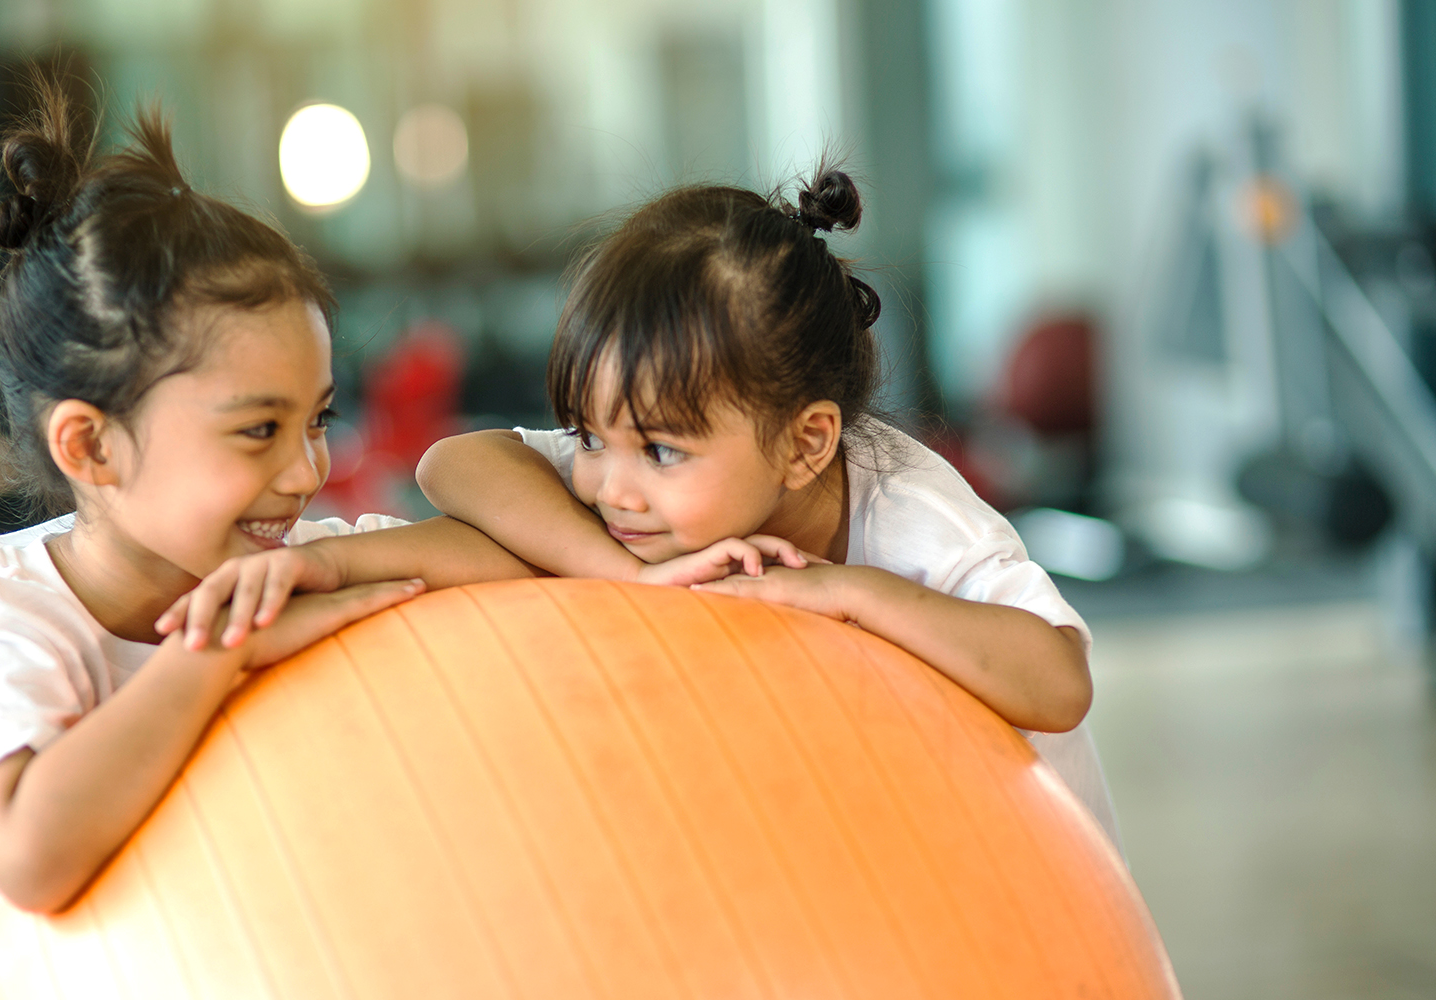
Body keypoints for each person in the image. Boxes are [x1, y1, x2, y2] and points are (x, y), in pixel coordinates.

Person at [0, 82, 533, 999]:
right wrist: (214, 655)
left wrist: (325, 563)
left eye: (318, 419)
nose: (306, 471)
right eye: (258, 431)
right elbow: (31, 858)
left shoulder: (265, 560)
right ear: (91, 446)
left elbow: (508, 565)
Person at [414, 169, 1123, 849]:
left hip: (1029, 884)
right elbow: (451, 464)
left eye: (659, 451)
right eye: (589, 436)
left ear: (805, 443)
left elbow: (1059, 685)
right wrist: (618, 571)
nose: (611, 489)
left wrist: (845, 589)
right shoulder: (646, 469)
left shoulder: (912, 513)